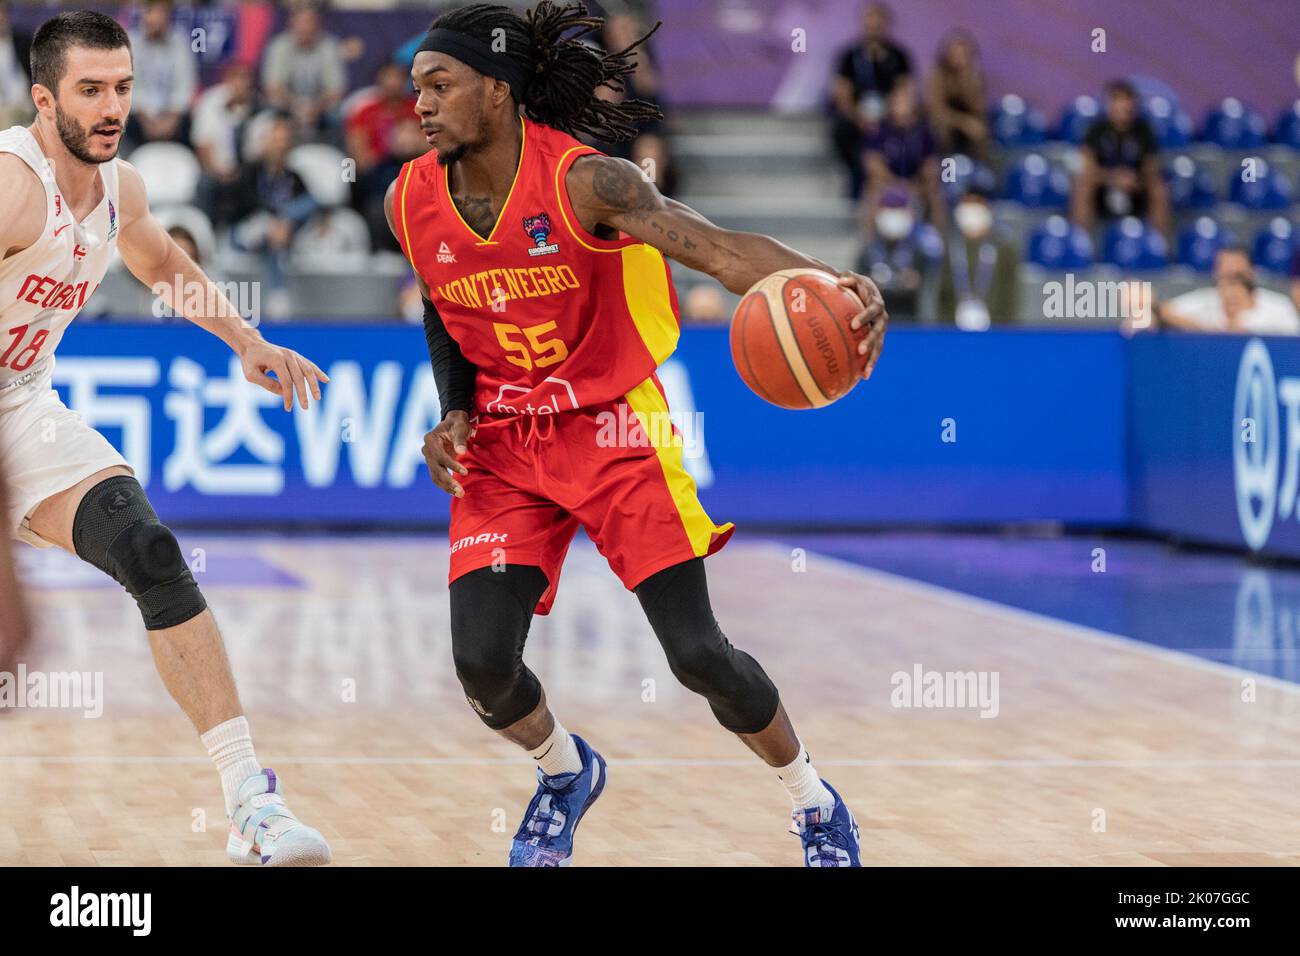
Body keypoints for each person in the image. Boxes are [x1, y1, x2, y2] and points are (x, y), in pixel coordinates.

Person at [388, 1, 887, 868]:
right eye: (417, 88)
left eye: (440, 85)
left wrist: (834, 282)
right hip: (506, 441)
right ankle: (564, 772)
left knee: (697, 655)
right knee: (482, 666)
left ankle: (811, 799)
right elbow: (443, 303)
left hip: (614, 426)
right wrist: (456, 410)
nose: (420, 103)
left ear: (497, 92)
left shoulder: (589, 183)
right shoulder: (410, 197)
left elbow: (721, 253)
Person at [0, 12, 332, 865]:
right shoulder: (12, 185)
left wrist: (248, 343)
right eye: (90, 91)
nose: (112, 107)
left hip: (22, 409)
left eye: (122, 87)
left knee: (148, 550)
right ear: (44, 100)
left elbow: (162, 266)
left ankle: (250, 804)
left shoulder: (122, 187)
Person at [830, 1, 911, 199]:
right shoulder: (849, 55)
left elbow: (904, 90)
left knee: (907, 133)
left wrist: (891, 115)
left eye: (878, 20)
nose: (874, 25)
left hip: (888, 116)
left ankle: (896, 184)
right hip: (857, 117)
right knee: (843, 131)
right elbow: (842, 93)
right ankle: (857, 183)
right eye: (869, 20)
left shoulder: (898, 55)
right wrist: (860, 119)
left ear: (886, 23)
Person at [1071, 78, 1170, 237]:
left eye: (1126, 100)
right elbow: (1087, 168)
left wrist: (1135, 181)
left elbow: (1152, 169)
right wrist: (1112, 179)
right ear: (1109, 104)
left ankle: (1157, 245)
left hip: (1136, 190)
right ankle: (1080, 245)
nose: (1122, 106)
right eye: (1117, 100)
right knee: (1082, 186)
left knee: (1159, 189)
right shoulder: (1096, 130)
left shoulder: (1144, 130)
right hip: (1103, 191)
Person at [1147, 246, 1300, 334]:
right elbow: (1166, 312)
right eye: (1225, 277)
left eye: (1238, 277)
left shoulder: (1279, 307)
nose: (1231, 286)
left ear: (1252, 274)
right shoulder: (1205, 301)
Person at [862, 75, 943, 236]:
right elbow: (872, 163)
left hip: (916, 184)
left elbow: (930, 165)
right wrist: (897, 184)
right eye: (898, 98)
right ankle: (870, 244)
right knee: (871, 189)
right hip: (887, 183)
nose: (901, 103)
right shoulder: (880, 130)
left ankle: (937, 242)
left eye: (906, 99)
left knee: (935, 192)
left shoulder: (924, 132)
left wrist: (917, 184)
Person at [259, 0, 346, 139]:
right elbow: (273, 87)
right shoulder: (279, 46)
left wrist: (315, 109)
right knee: (271, 107)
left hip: (320, 108)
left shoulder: (329, 46)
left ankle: (333, 153)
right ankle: (276, 151)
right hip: (288, 105)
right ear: (292, 24)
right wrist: (296, 107)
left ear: (318, 25)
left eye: (310, 22)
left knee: (338, 111)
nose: (306, 27)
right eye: (301, 22)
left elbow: (337, 90)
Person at [936, 185, 1019, 329]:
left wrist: (1006, 332)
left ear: (987, 208)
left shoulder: (1004, 248)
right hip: (951, 331)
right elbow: (940, 295)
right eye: (967, 203)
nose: (971, 210)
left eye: (977, 203)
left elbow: (1010, 296)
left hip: (995, 331)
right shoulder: (948, 247)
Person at [123, 0, 196, 148]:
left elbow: (184, 86)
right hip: (139, 116)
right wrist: (147, 121)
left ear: (168, 16)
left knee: (191, 123)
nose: (155, 18)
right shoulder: (131, 42)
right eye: (150, 12)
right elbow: (128, 86)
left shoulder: (179, 42)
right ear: (143, 14)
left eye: (160, 12)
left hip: (173, 117)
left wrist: (171, 120)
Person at [926, 30, 987, 159]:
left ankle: (976, 171)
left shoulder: (974, 76)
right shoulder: (937, 75)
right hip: (945, 122)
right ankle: (948, 174)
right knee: (942, 133)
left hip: (968, 120)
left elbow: (978, 108)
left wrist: (965, 78)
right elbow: (937, 110)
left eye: (964, 54)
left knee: (980, 131)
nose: (959, 58)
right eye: (955, 54)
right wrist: (963, 123)